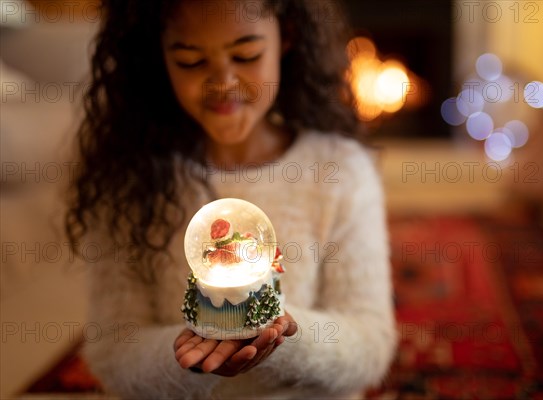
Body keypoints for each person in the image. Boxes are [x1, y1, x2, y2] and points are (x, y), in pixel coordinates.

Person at [66, 0, 396, 398]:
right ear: (158, 54)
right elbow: (112, 350)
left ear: (287, 37)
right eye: (190, 61)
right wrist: (194, 351)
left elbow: (371, 342)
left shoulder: (341, 171)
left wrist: (283, 340)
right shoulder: (128, 180)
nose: (223, 82)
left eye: (246, 55)